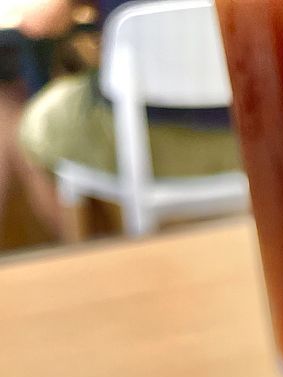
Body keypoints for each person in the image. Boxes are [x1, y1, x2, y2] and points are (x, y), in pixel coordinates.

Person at [14, 0, 239, 240]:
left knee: (34, 123)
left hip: (151, 147)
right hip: (248, 142)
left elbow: (42, 18)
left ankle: (89, 255)